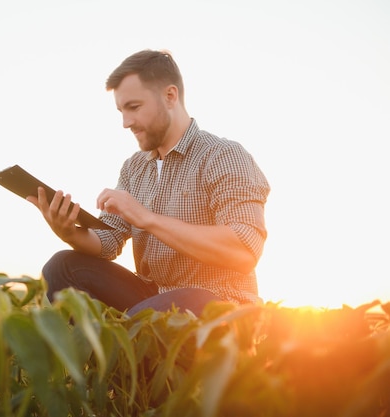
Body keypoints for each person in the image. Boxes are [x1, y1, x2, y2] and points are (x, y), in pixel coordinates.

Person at [27, 49, 270, 316]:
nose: (125, 122)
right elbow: (108, 241)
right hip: (153, 296)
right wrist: (69, 232)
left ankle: (130, 348)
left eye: (134, 107)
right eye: (121, 110)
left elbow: (245, 250)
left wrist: (145, 217)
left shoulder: (223, 155)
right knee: (60, 267)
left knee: (144, 317)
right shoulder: (134, 167)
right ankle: (114, 353)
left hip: (220, 303)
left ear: (170, 96)